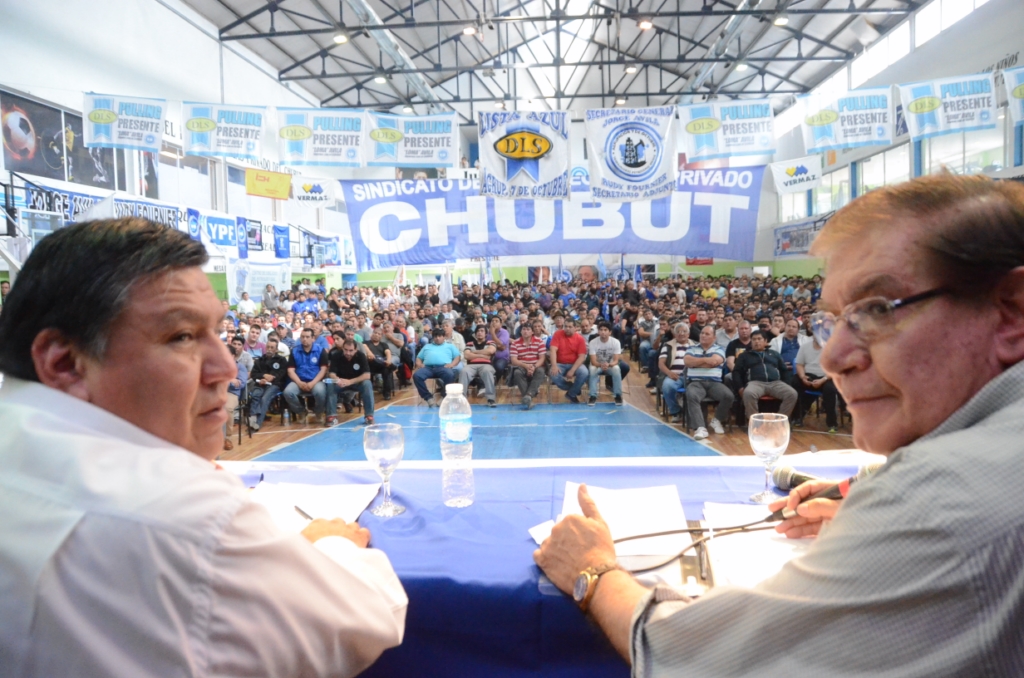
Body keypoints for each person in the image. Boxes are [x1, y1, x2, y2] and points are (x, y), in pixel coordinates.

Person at [536, 173, 1024, 674]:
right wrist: (875, 508)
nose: (832, 356)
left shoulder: (945, 495)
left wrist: (593, 572)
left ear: (1010, 312)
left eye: (877, 310)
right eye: (832, 320)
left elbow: (702, 658)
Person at [0, 218, 406, 678]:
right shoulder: (178, 511)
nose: (226, 367)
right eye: (181, 337)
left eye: (216, 330)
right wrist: (330, 545)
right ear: (65, 363)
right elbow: (367, 617)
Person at [732, 330, 798, 423]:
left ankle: (779, 422)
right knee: (748, 394)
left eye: (759, 339)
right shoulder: (744, 356)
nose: (756, 341)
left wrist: (786, 383)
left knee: (792, 394)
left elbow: (784, 370)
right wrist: (740, 387)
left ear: (766, 341)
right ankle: (755, 423)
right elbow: (736, 372)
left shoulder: (774, 354)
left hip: (775, 383)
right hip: (755, 383)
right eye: (754, 339)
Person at [682, 325, 733, 439]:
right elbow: (687, 362)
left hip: (714, 383)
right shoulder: (691, 348)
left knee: (728, 396)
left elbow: (715, 361)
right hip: (695, 382)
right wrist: (706, 360)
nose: (703, 336)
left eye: (707, 334)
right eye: (702, 333)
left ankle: (717, 420)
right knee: (692, 395)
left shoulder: (719, 349)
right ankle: (700, 428)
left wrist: (696, 362)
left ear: (714, 337)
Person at [794, 332, 840, 433]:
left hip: (826, 377)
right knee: (794, 382)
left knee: (830, 389)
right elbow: (799, 364)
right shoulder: (805, 346)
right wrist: (802, 377)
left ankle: (832, 423)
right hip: (808, 376)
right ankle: (797, 417)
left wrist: (823, 379)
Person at [284, 328, 330, 424]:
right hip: (298, 381)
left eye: (307, 337)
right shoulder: (294, 351)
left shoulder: (321, 351)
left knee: (320, 392)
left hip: (316, 381)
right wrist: (299, 383)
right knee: (288, 392)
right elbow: (290, 370)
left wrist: (313, 383)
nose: (304, 339)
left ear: (313, 338)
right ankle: (301, 411)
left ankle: (318, 412)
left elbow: (323, 370)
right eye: (302, 337)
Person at [327, 338, 375, 426]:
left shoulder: (361, 356)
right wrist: (337, 380)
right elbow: (331, 373)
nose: (348, 353)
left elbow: (367, 375)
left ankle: (369, 415)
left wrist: (350, 381)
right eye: (345, 350)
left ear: (355, 350)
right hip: (341, 382)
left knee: (367, 384)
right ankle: (332, 416)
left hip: (356, 382)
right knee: (330, 384)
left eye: (351, 350)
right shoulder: (336, 355)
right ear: (342, 348)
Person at [248, 336, 288, 431]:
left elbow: (282, 373)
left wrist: (272, 377)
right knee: (256, 395)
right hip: (260, 384)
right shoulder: (260, 360)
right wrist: (263, 376)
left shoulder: (281, 360)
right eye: (268, 347)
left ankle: (257, 423)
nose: (269, 349)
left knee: (265, 398)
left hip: (275, 385)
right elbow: (254, 374)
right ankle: (252, 419)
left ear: (276, 349)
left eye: (272, 347)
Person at [413, 327, 461, 406]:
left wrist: (452, 364)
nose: (437, 338)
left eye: (439, 336)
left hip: (443, 367)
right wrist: (420, 364)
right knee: (417, 375)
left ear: (444, 337)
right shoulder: (427, 346)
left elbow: (457, 357)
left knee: (450, 374)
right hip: (428, 368)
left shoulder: (450, 346)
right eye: (435, 336)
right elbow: (418, 358)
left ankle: (444, 397)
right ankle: (428, 398)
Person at [548, 317, 589, 404]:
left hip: (575, 364)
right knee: (553, 373)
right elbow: (552, 350)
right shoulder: (558, 334)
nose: (567, 329)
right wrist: (554, 366)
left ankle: (571, 394)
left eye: (570, 327)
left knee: (584, 372)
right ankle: (574, 389)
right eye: (565, 326)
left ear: (575, 328)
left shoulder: (580, 339)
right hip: (560, 364)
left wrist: (572, 370)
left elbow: (581, 357)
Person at [657, 322, 692, 422]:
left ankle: (691, 412)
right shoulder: (667, 345)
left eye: (684, 331)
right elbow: (661, 363)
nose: (681, 334)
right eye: (678, 332)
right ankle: (676, 411)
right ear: (675, 334)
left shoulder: (695, 345)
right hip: (674, 376)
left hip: (691, 376)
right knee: (667, 386)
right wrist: (669, 373)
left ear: (688, 334)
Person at [509, 322, 547, 410]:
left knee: (541, 371)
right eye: (524, 329)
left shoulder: (539, 341)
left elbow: (542, 358)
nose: (525, 331)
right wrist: (526, 366)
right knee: (517, 372)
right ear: (521, 331)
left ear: (532, 332)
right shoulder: (515, 343)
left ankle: (528, 395)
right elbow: (514, 360)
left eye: (528, 329)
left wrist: (533, 367)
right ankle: (529, 398)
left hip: (536, 366)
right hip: (521, 366)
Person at [459, 325, 497, 407]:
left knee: (487, 371)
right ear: (475, 333)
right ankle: (462, 399)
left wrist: (474, 352)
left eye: (482, 331)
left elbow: (490, 351)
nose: (479, 333)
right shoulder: (469, 343)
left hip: (486, 365)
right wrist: (483, 355)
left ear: (486, 334)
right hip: (471, 366)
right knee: (464, 371)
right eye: (478, 331)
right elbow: (467, 355)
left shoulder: (491, 342)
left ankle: (491, 399)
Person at [587, 321, 623, 406]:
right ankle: (592, 396)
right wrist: (601, 365)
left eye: (605, 330)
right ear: (598, 331)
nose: (603, 332)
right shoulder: (593, 342)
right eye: (601, 330)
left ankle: (617, 395)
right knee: (592, 370)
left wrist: (609, 365)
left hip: (610, 365)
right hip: (597, 365)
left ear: (610, 332)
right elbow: (593, 361)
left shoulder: (616, 342)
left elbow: (616, 360)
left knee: (616, 369)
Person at [364, 327, 396, 400]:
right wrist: (370, 354)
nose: (376, 335)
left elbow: (388, 352)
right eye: (375, 333)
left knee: (386, 370)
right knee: (375, 359)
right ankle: (392, 366)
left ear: (381, 336)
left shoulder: (383, 344)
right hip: (369, 364)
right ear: (372, 334)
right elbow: (366, 349)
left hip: (381, 365)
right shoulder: (366, 343)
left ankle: (387, 393)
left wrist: (388, 360)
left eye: (379, 334)